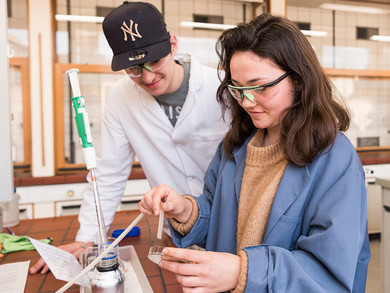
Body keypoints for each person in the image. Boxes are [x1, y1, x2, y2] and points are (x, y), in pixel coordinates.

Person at [138, 13, 371, 293]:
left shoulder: (335, 159)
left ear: (298, 80)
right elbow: (218, 213)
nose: (247, 102)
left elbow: (328, 273)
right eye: (238, 88)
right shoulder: (238, 143)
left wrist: (242, 272)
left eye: (260, 87)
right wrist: (185, 209)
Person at [30, 1, 229, 274]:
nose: (147, 77)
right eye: (133, 69)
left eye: (155, 61)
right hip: (175, 236)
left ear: (173, 44)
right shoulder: (120, 97)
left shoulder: (222, 88)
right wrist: (88, 239)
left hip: (230, 228)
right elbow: (109, 173)